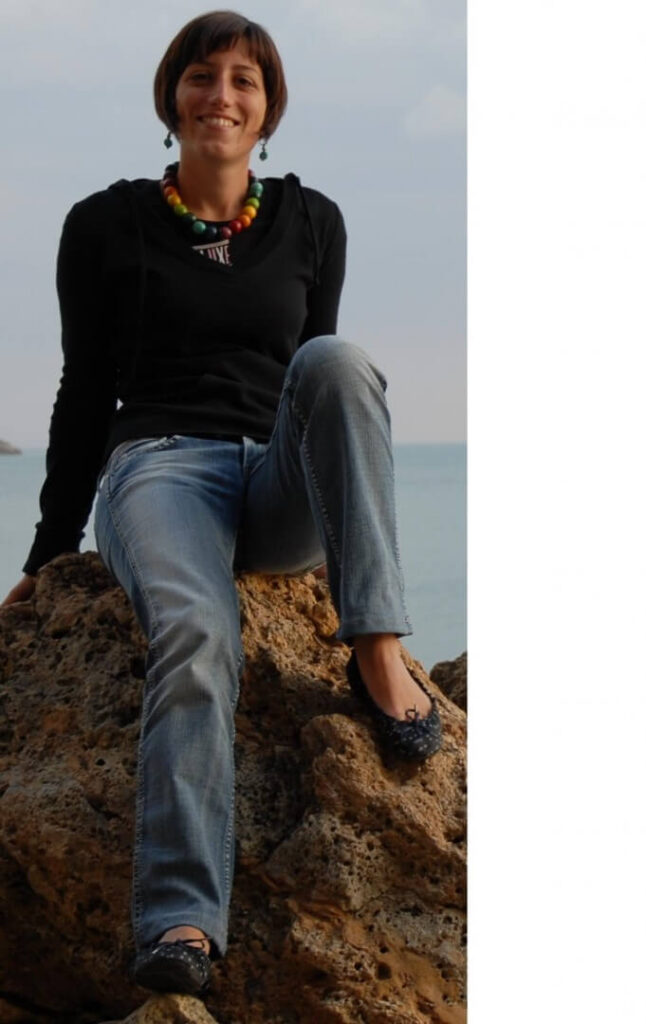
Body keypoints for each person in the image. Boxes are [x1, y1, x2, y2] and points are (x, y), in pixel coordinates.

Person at [2, 11, 441, 997]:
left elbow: (319, 397)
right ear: (172, 97)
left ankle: (376, 647)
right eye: (202, 76)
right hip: (161, 468)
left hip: (274, 481)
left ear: (268, 109)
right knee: (198, 636)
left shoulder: (314, 220)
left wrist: (331, 536)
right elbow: (83, 392)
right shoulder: (104, 224)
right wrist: (49, 551)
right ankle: (183, 921)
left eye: (245, 80)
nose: (222, 96)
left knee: (337, 359)